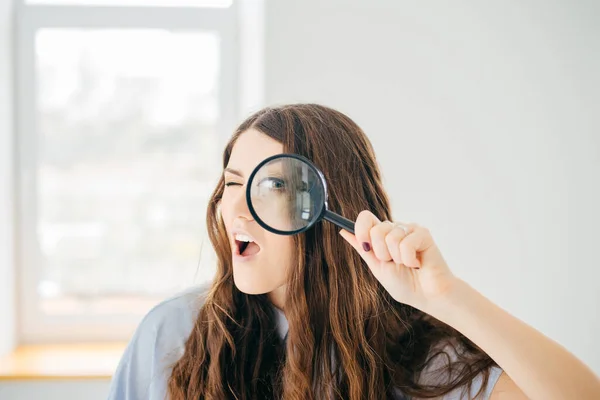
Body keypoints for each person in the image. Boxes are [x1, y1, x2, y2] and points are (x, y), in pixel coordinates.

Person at [107, 104, 600, 399]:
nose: (234, 209)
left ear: (326, 205)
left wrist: (448, 296)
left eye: (271, 185)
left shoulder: (416, 355)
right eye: (230, 183)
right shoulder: (171, 332)